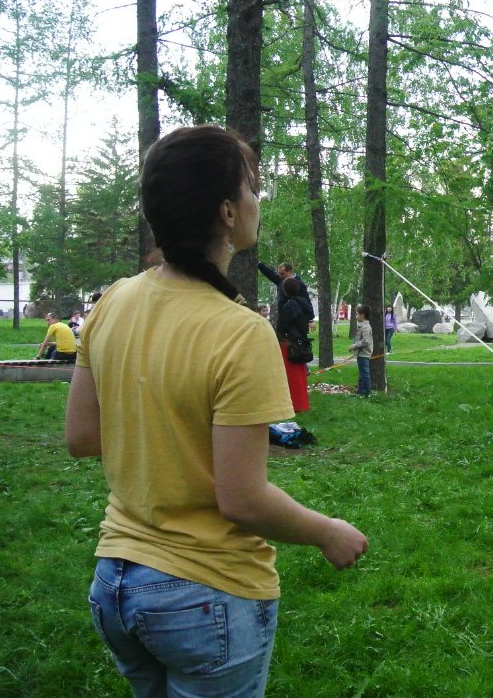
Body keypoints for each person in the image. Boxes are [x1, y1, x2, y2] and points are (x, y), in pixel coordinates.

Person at [64, 125, 367, 696]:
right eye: (252, 189)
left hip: (116, 582)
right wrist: (329, 533)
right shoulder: (240, 332)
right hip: (204, 595)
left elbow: (82, 435)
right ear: (228, 212)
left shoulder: (112, 301)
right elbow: (243, 499)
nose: (257, 202)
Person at [277, 277, 311, 414]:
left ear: (285, 290)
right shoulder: (304, 304)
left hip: (290, 343)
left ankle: (294, 404)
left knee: (290, 375)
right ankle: (302, 403)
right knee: (300, 375)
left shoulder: (289, 305)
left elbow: (281, 326)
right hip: (301, 341)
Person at [349, 305, 373, 397]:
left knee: (364, 373)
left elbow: (366, 342)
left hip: (364, 354)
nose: (356, 316)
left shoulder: (366, 327)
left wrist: (354, 346)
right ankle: (360, 391)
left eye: (357, 314)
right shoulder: (362, 326)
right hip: (360, 354)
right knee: (361, 374)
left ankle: (366, 392)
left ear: (362, 315)